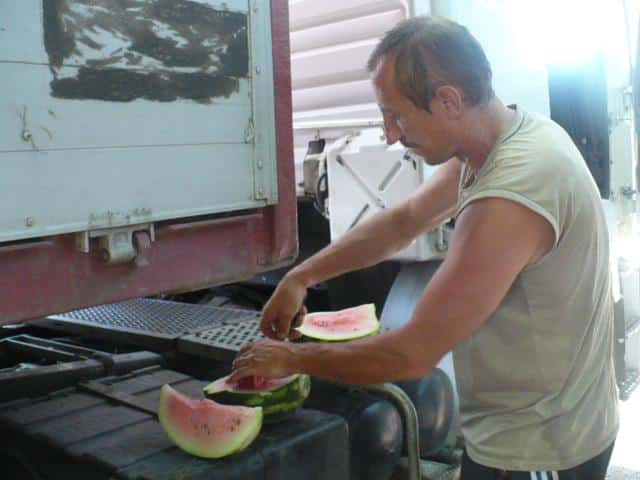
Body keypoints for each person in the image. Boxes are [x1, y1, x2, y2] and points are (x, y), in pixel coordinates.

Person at [230, 16, 618, 479]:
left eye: (396, 116)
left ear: (449, 100)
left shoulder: (511, 194)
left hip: (541, 449)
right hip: (535, 427)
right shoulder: (502, 141)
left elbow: (411, 354)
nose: (391, 133)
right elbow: (404, 221)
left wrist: (290, 359)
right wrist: (301, 276)